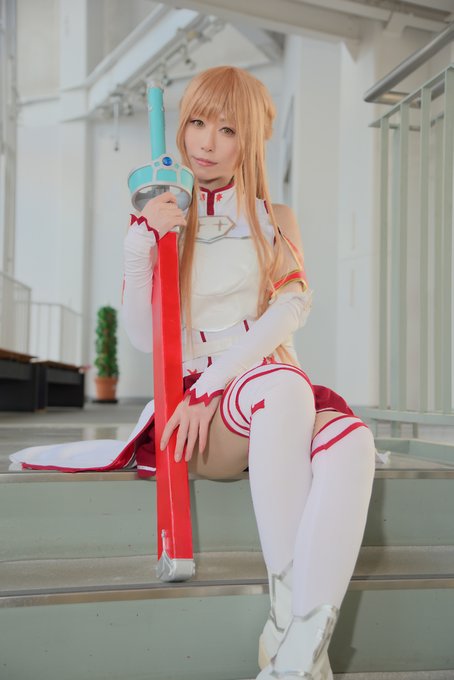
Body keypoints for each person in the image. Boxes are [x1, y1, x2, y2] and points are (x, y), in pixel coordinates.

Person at [122, 66, 376, 680]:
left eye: (228, 130)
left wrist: (217, 388)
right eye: (197, 123)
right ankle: (291, 642)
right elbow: (141, 337)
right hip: (196, 413)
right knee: (283, 386)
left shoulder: (274, 217)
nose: (206, 143)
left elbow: (291, 308)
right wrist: (140, 245)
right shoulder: (162, 213)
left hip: (246, 391)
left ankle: (291, 649)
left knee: (354, 443)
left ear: (251, 141)